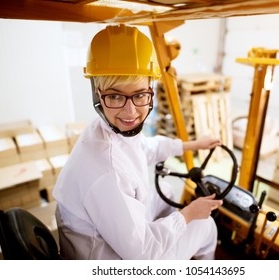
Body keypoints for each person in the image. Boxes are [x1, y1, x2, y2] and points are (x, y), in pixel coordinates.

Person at [53, 24, 223, 260]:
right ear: (97, 94)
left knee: (164, 190)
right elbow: (142, 254)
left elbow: (144, 147)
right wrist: (189, 214)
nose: (130, 112)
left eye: (140, 95)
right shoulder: (107, 172)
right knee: (206, 227)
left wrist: (192, 145)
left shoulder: (104, 130)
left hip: (105, 240)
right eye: (115, 96)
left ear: (150, 90)